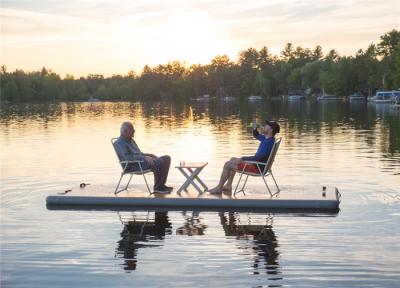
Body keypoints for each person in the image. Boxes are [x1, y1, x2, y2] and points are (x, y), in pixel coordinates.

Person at [208, 120, 280, 194]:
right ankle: (228, 186)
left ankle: (219, 188)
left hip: (257, 167)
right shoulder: (268, 139)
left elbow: (257, 158)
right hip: (259, 165)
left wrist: (242, 159)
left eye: (267, 125)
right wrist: (255, 128)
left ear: (271, 130)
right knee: (232, 159)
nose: (264, 126)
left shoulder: (267, 143)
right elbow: (256, 135)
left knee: (228, 164)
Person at [114, 121, 172, 193]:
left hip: (140, 162)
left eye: (134, 130)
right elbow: (128, 158)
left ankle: (162, 185)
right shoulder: (119, 143)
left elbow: (138, 153)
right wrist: (144, 158)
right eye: (132, 130)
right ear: (125, 131)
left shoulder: (131, 140)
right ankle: (158, 188)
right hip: (132, 166)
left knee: (166, 158)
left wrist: (148, 155)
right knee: (158, 162)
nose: (134, 132)